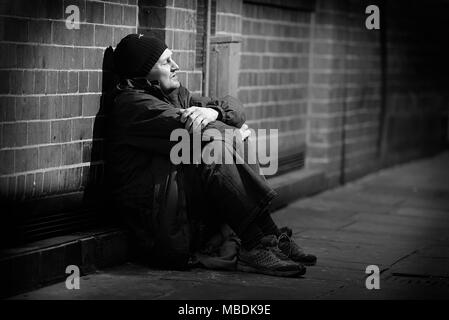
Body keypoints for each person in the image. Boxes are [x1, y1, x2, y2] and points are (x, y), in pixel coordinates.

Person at [106, 34, 317, 278]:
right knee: (213, 151)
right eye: (166, 62)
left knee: (218, 145)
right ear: (142, 73)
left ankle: (269, 237)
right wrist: (233, 132)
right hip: (155, 215)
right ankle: (255, 243)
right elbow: (203, 130)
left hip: (175, 197)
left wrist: (213, 112)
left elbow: (236, 108)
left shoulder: (176, 95)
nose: (176, 66)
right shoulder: (133, 105)